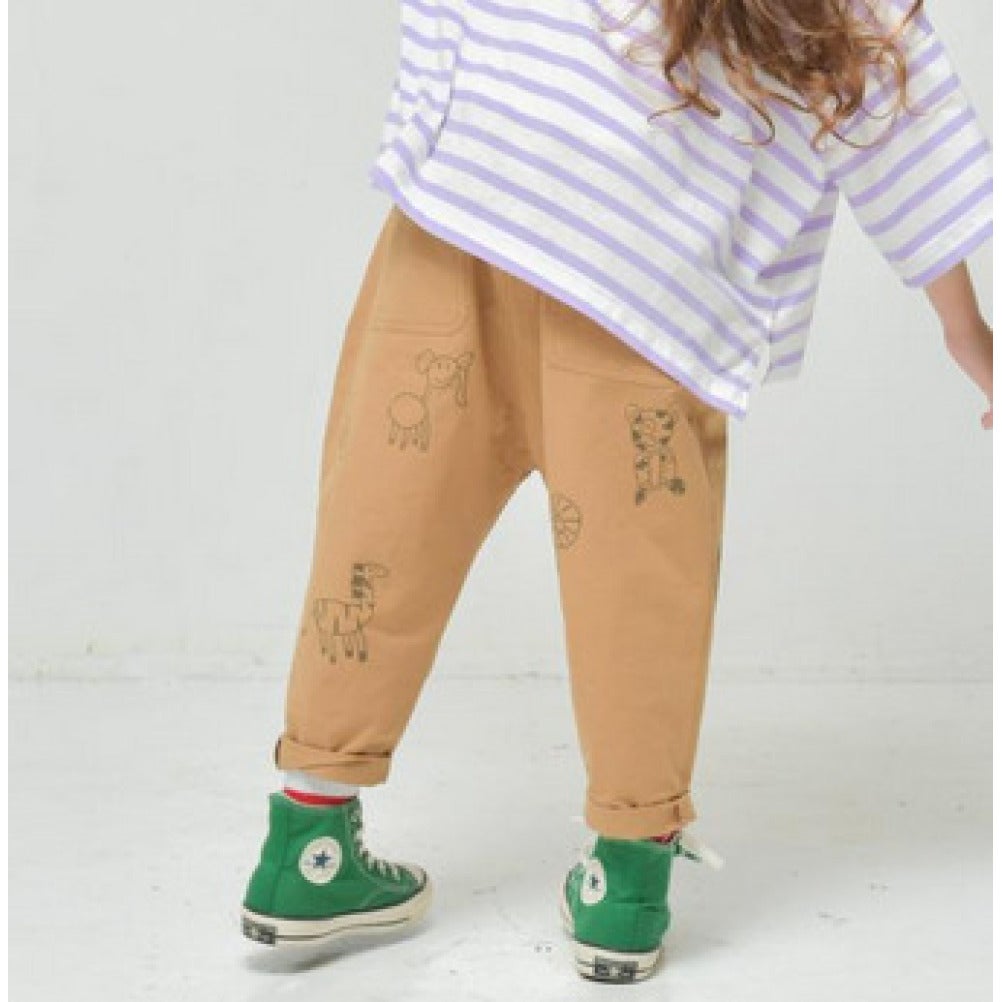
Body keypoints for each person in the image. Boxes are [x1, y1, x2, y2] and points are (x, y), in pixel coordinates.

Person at [240, 0, 992, 983]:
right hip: (643, 270)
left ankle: (305, 845)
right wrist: (966, 333)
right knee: (638, 589)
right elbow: (892, 106)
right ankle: (626, 883)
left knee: (379, 531)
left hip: (463, 211)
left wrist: (428, 135)